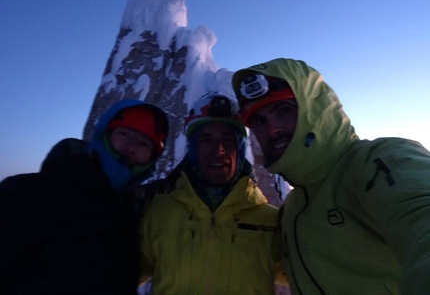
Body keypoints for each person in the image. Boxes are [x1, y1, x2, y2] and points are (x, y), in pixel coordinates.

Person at [231, 58, 430, 295]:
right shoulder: (293, 210)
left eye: (283, 111)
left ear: (314, 109)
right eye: (259, 122)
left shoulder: (379, 161)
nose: (272, 129)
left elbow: (419, 216)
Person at [0, 99, 168, 295]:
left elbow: (167, 187)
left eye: (144, 144)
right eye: (125, 134)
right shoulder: (26, 193)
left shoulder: (130, 205)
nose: (132, 147)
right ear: (105, 134)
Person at [139, 93, 288, 294]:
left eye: (228, 140)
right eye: (205, 140)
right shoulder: (157, 212)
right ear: (192, 149)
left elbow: (319, 274)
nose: (218, 150)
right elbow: (114, 275)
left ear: (241, 149)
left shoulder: (271, 222)